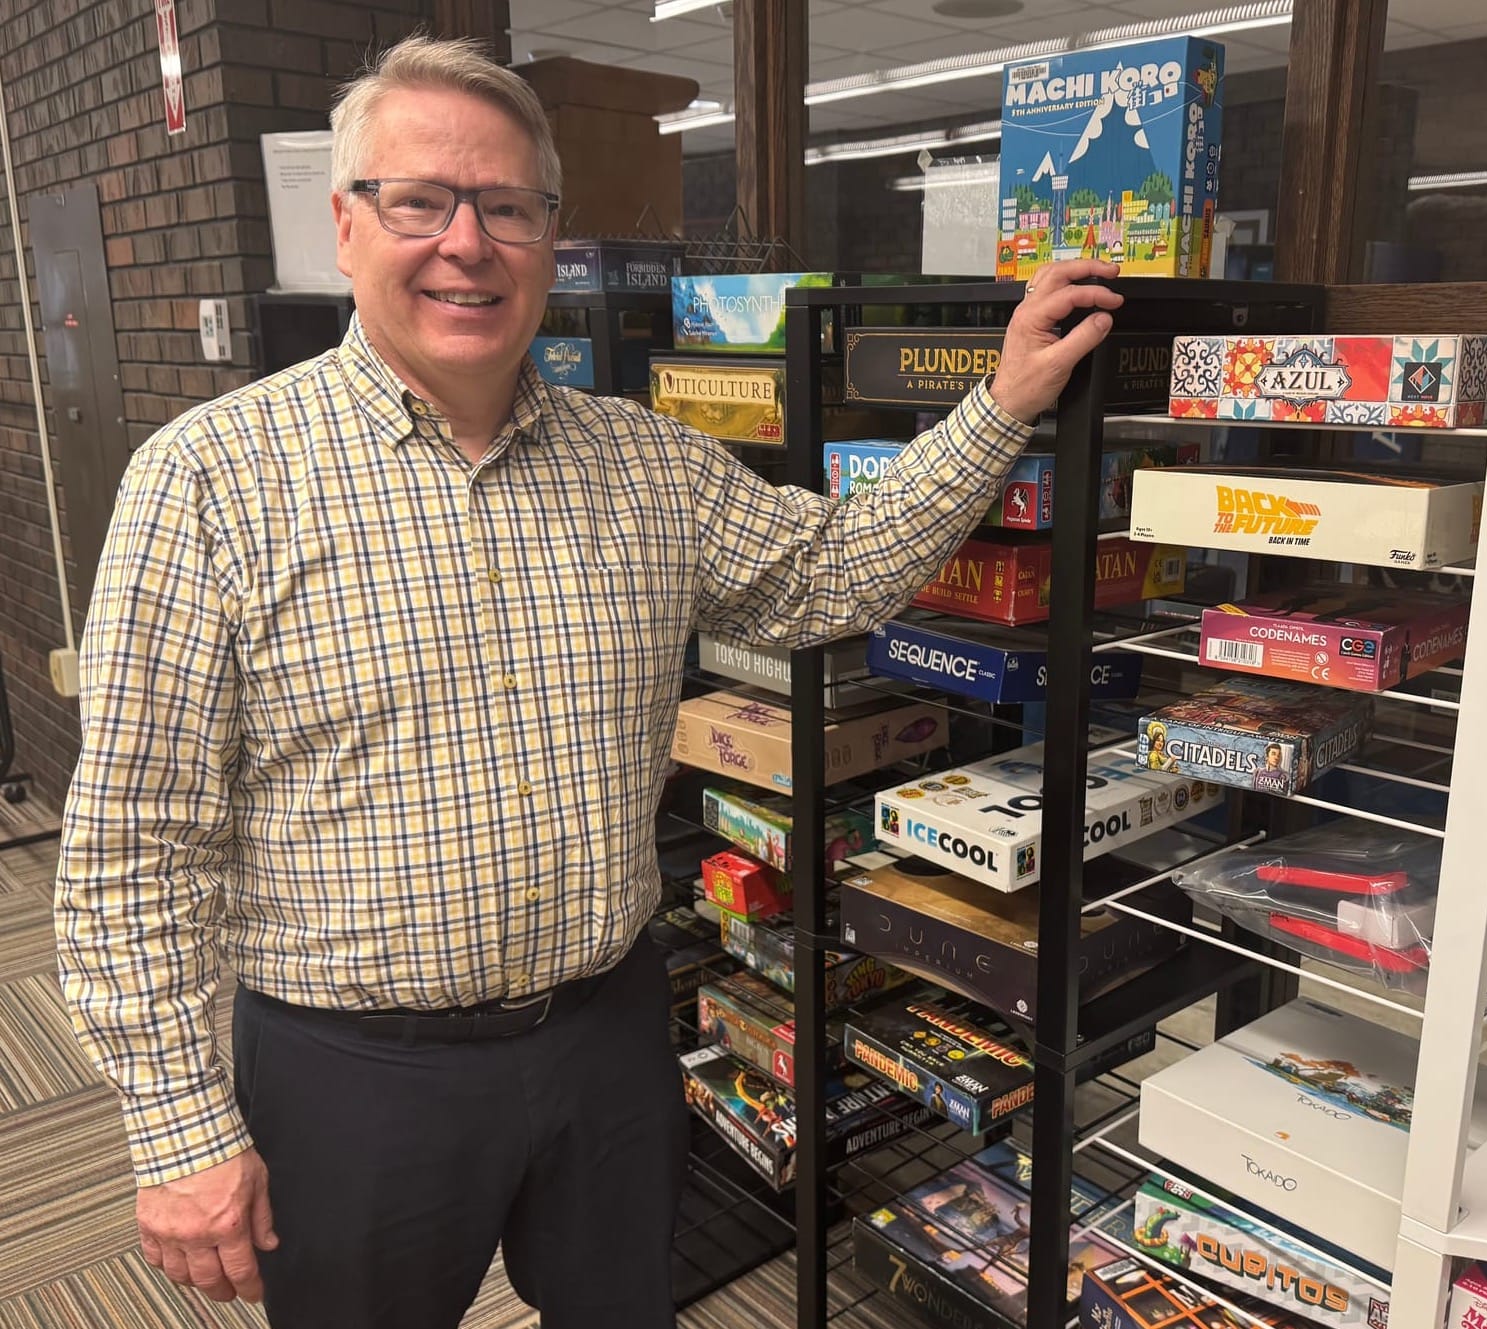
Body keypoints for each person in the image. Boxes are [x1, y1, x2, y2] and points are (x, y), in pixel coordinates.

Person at [54, 33, 1123, 1329]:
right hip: (352, 1069)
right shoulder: (211, 478)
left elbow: (832, 571)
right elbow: (134, 841)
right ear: (346, 225)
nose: (467, 241)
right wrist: (175, 1126)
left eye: (508, 206)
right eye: (420, 201)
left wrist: (999, 402)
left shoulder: (645, 463)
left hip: (607, 1030)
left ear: (550, 237)